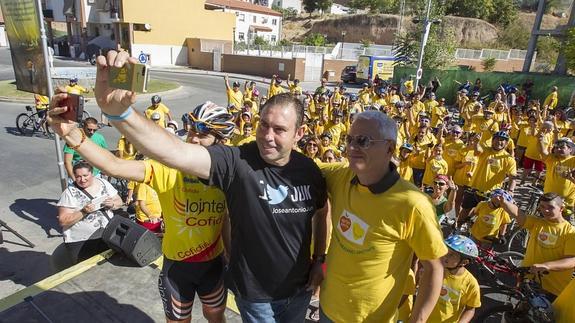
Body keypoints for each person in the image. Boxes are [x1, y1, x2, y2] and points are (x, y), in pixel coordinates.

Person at [89, 51, 329, 323]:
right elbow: (176, 152)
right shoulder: (236, 161)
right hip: (256, 296)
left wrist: (320, 259)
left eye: (279, 129)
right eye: (263, 125)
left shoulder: (309, 171)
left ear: (299, 133)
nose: (267, 136)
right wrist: (121, 114)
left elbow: (322, 213)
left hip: (299, 290)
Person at [49, 97, 236, 322]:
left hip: (213, 265)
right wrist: (71, 134)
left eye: (202, 134)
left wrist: (230, 255)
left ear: (221, 142)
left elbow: (225, 217)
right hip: (177, 269)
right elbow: (114, 166)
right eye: (191, 132)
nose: (193, 139)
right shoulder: (169, 169)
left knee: (215, 315)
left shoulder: (227, 177)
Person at [319, 111, 447, 322]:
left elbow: (434, 267)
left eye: (363, 141)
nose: (351, 148)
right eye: (349, 139)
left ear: (390, 148)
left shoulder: (414, 204)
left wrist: (418, 319)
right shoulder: (341, 176)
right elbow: (299, 166)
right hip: (328, 310)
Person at [499, 192, 575, 299]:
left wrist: (547, 266)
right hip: (529, 280)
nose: (545, 210)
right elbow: (518, 214)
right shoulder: (538, 223)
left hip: (552, 289)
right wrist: (504, 202)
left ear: (561, 208)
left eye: (550, 207)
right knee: (520, 311)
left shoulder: (570, 232)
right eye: (542, 207)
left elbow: (572, 261)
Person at [56, 161, 122, 264]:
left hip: (107, 235)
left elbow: (119, 201)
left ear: (92, 173)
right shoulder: (69, 193)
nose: (82, 180)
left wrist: (112, 204)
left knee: (107, 265)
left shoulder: (103, 183)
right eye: (78, 177)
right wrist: (83, 212)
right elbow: (63, 221)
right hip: (82, 242)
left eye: (85, 175)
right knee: (85, 271)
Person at [427, 235, 481, 323]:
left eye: (452, 255)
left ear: (464, 262)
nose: (445, 256)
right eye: (445, 251)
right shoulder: (436, 268)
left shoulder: (471, 283)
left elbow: (470, 309)